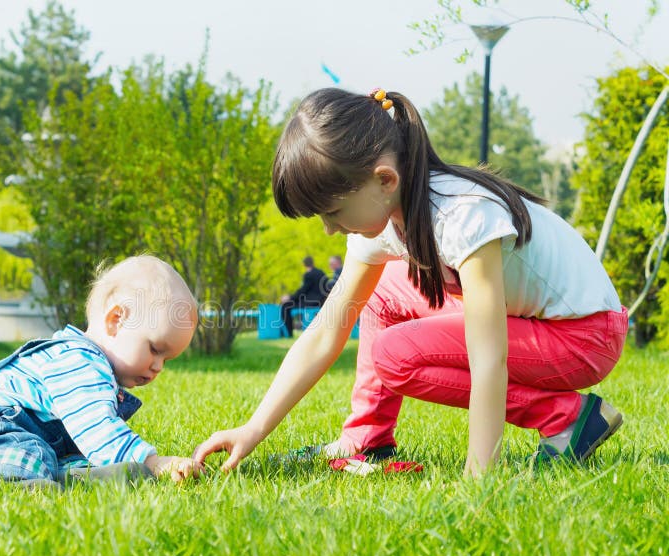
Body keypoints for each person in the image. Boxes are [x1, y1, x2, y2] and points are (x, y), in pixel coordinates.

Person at [194, 87, 628, 477]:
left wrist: (481, 474)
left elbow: (488, 358)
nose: (329, 229)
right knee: (378, 292)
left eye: (333, 213)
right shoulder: (383, 218)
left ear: (384, 179)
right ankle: (367, 438)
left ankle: (568, 419)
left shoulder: (461, 215)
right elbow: (327, 329)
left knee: (394, 356)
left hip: (585, 336)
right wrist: (253, 429)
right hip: (535, 325)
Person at [0, 255, 203, 488]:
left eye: (167, 359)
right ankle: (9, 485)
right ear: (116, 321)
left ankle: (70, 476)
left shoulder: (94, 365)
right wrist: (152, 462)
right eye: (155, 349)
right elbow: (96, 428)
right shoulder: (79, 361)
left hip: (18, 436)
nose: (158, 366)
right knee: (27, 451)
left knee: (60, 458)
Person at [279, 255, 329, 337]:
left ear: (304, 265)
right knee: (289, 304)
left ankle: (288, 333)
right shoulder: (322, 273)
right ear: (313, 263)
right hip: (321, 302)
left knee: (285, 306)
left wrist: (290, 297)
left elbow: (303, 291)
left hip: (310, 302)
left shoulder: (308, 275)